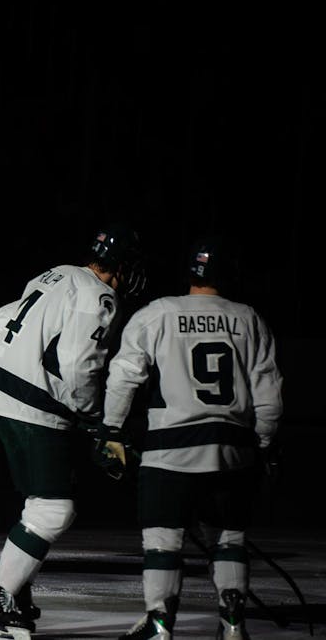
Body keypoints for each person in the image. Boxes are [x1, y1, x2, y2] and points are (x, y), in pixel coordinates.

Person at [0, 224, 147, 640]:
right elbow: (80, 362)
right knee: (52, 509)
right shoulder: (100, 296)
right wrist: (96, 420)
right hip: (33, 406)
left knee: (38, 505)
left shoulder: (56, 272)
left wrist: (9, 369)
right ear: (122, 265)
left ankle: (16, 587)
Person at [99, 235, 283, 640]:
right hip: (232, 447)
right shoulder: (248, 317)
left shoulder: (157, 313)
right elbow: (268, 392)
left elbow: (124, 375)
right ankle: (233, 623)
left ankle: (160, 623)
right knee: (229, 538)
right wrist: (264, 444)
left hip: (170, 448)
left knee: (163, 541)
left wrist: (111, 428)